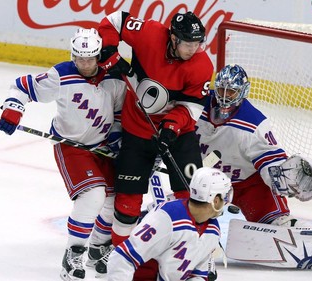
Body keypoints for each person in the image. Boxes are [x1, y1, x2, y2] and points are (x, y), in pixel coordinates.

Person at [0, 28, 127, 280]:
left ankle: (98, 248)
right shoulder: (62, 75)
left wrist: (116, 134)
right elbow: (22, 87)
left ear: (99, 56)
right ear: (72, 55)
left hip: (103, 148)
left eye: (90, 59)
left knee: (112, 200)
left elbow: (120, 110)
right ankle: (73, 253)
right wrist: (13, 108)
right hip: (71, 146)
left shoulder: (114, 78)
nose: (85, 64)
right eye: (79, 58)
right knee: (92, 196)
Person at [95, 10, 214, 275]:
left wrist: (171, 127)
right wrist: (109, 51)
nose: (193, 49)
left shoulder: (202, 66)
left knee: (195, 194)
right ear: (172, 37)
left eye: (198, 43)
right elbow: (114, 20)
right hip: (137, 128)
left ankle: (195, 257)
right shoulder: (149, 33)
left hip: (179, 134)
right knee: (127, 201)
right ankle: (122, 256)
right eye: (188, 43)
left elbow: (191, 106)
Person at [196, 64, 312, 228]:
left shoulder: (253, 123)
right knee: (187, 218)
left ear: (243, 91)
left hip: (247, 184)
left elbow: (269, 158)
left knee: (276, 224)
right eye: (221, 90)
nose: (226, 96)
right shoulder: (197, 104)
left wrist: (278, 177)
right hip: (205, 181)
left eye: (231, 91)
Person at [105, 167, 233, 280]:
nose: (226, 201)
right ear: (215, 200)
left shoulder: (213, 229)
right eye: (225, 196)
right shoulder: (167, 217)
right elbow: (121, 258)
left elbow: (197, 274)